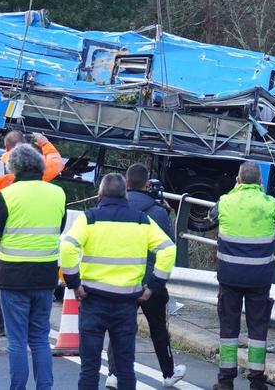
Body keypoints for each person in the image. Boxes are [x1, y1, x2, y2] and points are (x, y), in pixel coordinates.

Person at [60, 171, 175, 390]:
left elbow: (67, 246)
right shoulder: (142, 221)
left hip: (93, 300)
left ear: (99, 193)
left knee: (89, 367)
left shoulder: (89, 218)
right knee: (125, 368)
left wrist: (74, 283)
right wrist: (152, 287)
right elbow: (168, 250)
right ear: (125, 194)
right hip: (126, 304)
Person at [0, 140, 66, 390]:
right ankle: (45, 387)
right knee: (40, 338)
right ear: (40, 166)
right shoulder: (57, 193)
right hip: (46, 275)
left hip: (13, 276)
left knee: (17, 340)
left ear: (14, 169)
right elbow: (58, 228)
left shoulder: (8, 195)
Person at [215, 162, 275, 390]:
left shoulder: (225, 201)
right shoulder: (270, 204)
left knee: (228, 329)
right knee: (258, 330)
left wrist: (236, 190)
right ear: (260, 183)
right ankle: (256, 380)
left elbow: (209, 218)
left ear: (238, 180)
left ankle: (225, 381)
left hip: (229, 277)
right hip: (259, 278)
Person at [124, 164, 185, 387]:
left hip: (124, 278)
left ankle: (114, 371)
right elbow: (169, 246)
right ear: (148, 185)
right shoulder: (158, 212)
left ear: (126, 182)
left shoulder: (117, 207)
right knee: (158, 328)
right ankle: (168, 373)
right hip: (151, 282)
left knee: (122, 327)